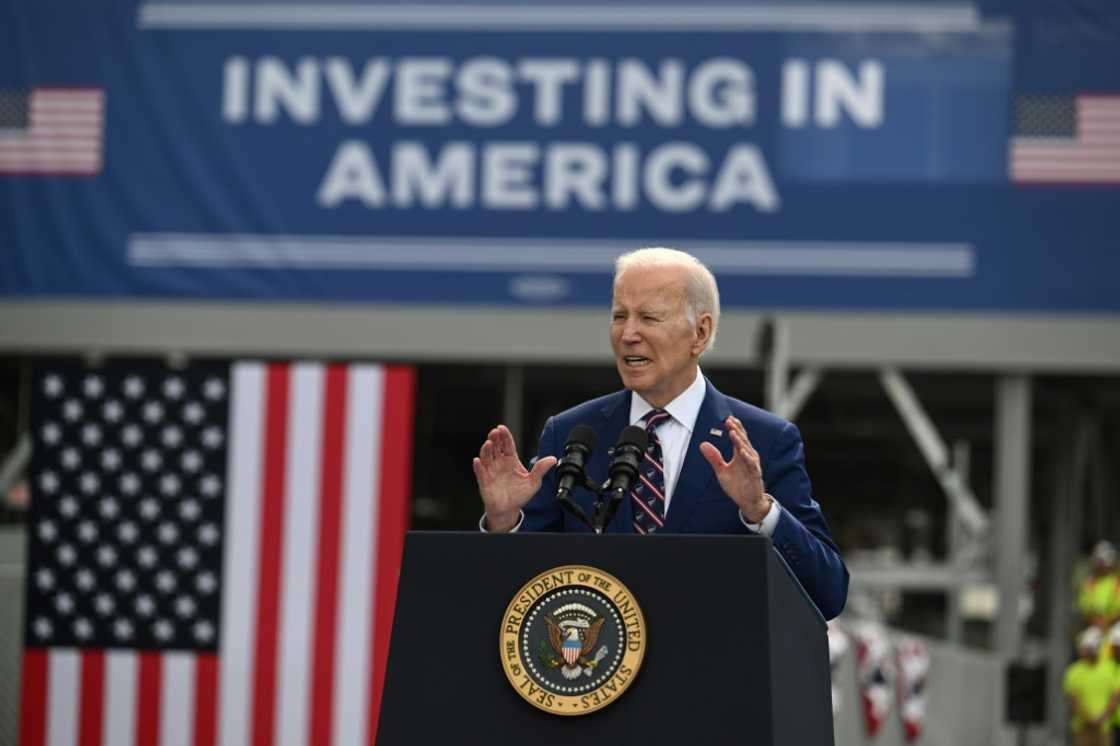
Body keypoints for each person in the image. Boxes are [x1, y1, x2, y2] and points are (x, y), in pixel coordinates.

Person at [473, 247, 848, 619]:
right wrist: (504, 522)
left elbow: (828, 592)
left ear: (700, 333)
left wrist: (759, 511)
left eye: (649, 317)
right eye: (619, 315)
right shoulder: (571, 434)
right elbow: (519, 590)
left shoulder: (765, 441)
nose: (628, 334)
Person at [1064, 627, 1119, 746]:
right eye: (1084, 649)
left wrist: (1102, 717)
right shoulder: (1074, 671)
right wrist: (1089, 718)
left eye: (1088, 649)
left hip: (1104, 728)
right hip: (1082, 727)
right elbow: (1073, 700)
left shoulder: (1110, 669)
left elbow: (1115, 698)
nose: (1085, 652)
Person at [1080, 541, 1120, 630]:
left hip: (1115, 624)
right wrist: (1095, 621)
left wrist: (1108, 621)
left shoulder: (1117, 581)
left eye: (1105, 561)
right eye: (1100, 561)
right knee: (1088, 641)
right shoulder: (1090, 582)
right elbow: (1084, 607)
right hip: (1094, 624)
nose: (1103, 565)